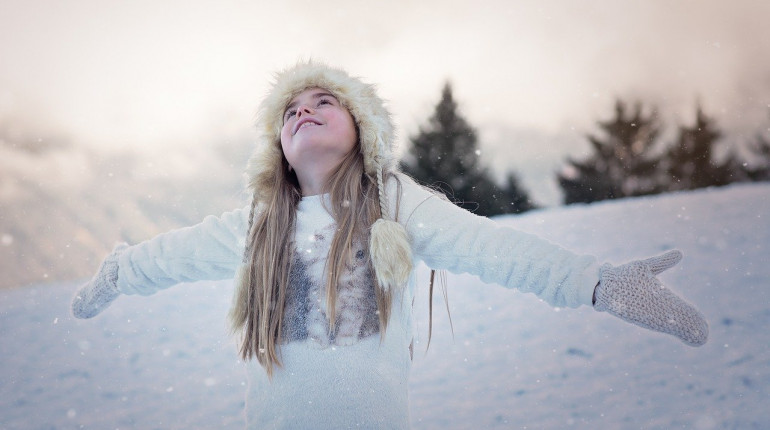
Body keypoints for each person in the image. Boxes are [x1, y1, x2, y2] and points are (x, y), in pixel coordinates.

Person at [71, 61, 709, 429]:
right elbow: (172, 255)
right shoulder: (259, 225)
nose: (304, 110)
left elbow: (494, 249)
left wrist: (597, 282)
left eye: (325, 101)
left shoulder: (396, 203)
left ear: (362, 131)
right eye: (290, 109)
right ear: (278, 147)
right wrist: (120, 270)